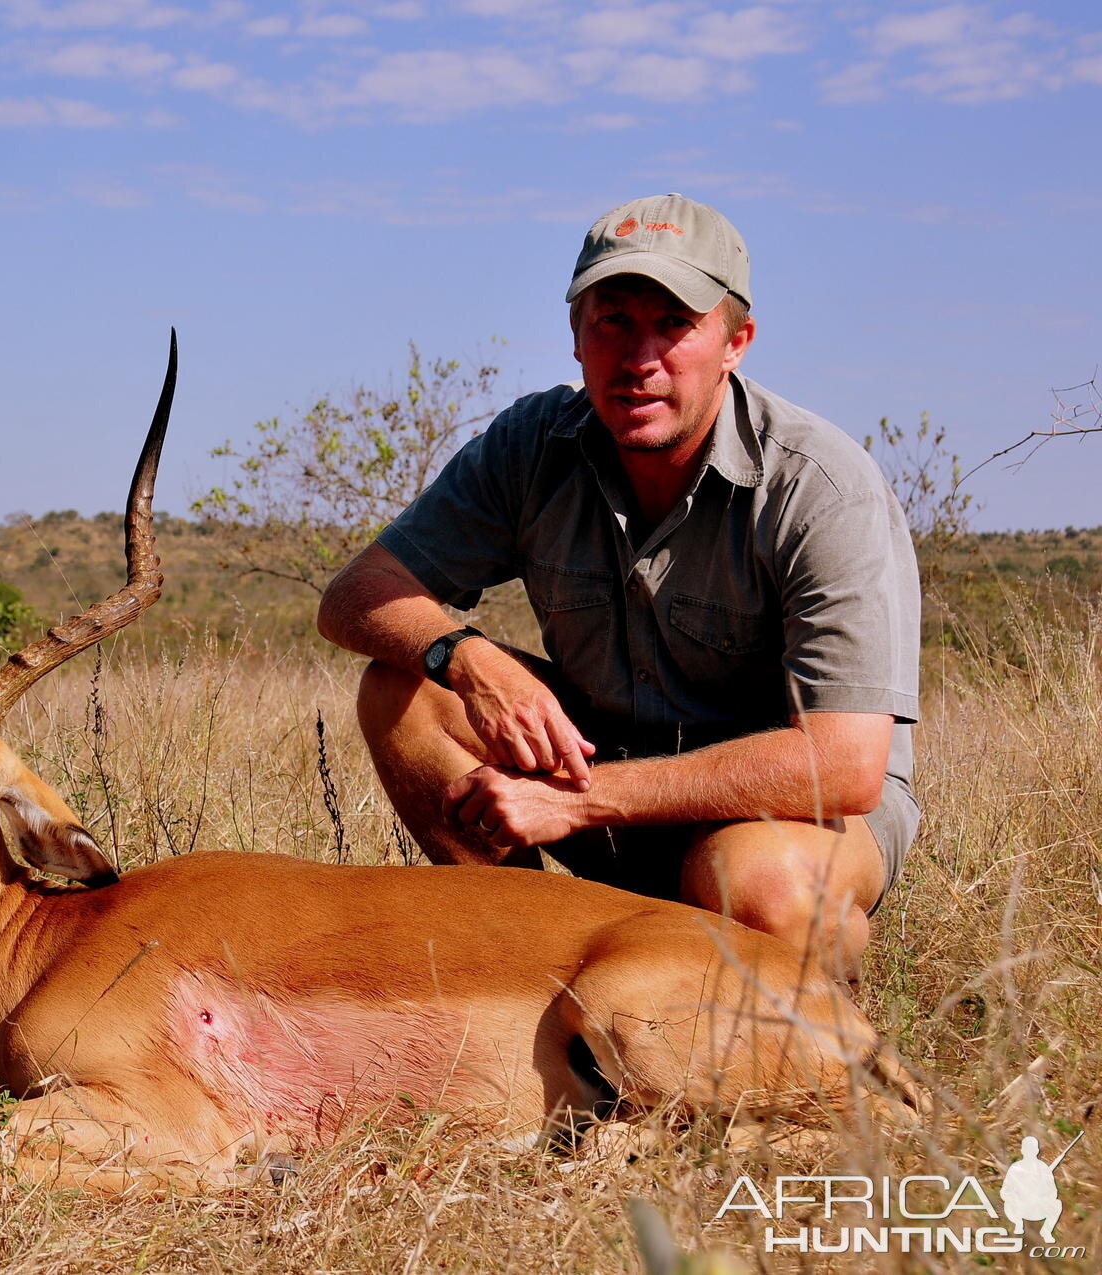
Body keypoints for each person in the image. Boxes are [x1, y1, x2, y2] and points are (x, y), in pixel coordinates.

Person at [317, 193, 920, 979]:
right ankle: (525, 969)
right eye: (613, 322)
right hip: (601, 770)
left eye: (675, 324)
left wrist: (581, 800)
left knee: (760, 885)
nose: (641, 358)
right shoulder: (533, 445)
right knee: (401, 689)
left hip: (775, 817)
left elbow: (845, 765)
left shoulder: (821, 487)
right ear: (575, 336)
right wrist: (468, 658)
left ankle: (801, 999)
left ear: (737, 341)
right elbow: (355, 593)